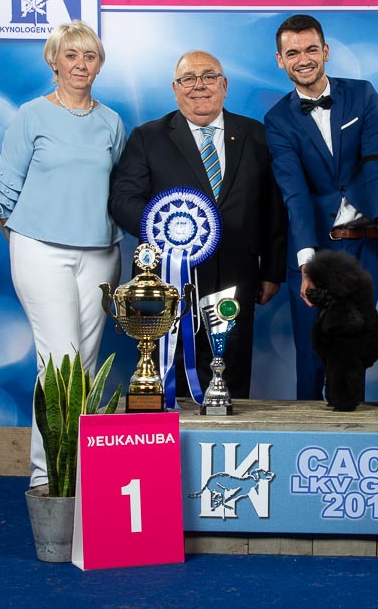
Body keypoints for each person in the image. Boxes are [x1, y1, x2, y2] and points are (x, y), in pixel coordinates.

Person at [0, 20, 125, 490]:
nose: (81, 64)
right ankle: (48, 475)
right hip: (40, 250)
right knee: (59, 361)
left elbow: (118, 188)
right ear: (54, 61)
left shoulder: (112, 121)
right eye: (71, 55)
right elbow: (5, 186)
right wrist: (27, 243)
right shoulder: (31, 115)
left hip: (101, 252)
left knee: (86, 364)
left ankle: (82, 471)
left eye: (90, 56)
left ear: (99, 65)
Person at [109, 50, 286, 400]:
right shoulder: (148, 137)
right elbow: (122, 200)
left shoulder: (255, 134)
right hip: (169, 279)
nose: (199, 86)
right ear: (176, 89)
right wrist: (167, 228)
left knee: (231, 374)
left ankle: (228, 431)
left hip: (238, 274)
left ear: (224, 85)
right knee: (168, 373)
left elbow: (273, 207)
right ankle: (173, 435)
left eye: (208, 77)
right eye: (188, 79)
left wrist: (272, 271)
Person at [264, 14, 378, 401]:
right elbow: (294, 194)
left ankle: (351, 431)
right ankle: (305, 429)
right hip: (312, 246)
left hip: (362, 248)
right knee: (312, 354)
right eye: (292, 53)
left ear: (326, 51)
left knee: (353, 352)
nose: (303, 59)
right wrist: (307, 267)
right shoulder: (277, 119)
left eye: (311, 49)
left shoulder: (363, 95)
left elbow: (374, 168)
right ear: (280, 60)